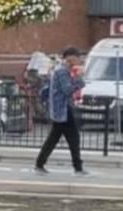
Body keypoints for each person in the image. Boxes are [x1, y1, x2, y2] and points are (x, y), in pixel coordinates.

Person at [35, 46, 87, 175]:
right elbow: (67, 90)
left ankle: (40, 163)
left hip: (62, 109)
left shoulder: (63, 70)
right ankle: (78, 167)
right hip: (62, 109)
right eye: (77, 58)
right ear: (69, 57)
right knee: (73, 138)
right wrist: (79, 80)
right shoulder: (62, 71)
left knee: (54, 138)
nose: (78, 61)